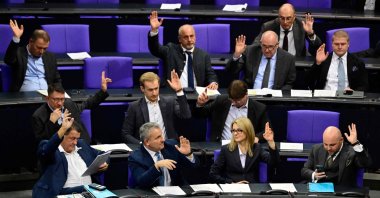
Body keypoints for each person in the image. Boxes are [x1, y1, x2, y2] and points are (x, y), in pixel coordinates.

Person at [32, 118, 109, 197]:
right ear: (62, 135)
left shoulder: (81, 144)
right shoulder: (51, 150)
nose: (75, 142)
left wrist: (105, 163)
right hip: (63, 194)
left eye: (77, 138)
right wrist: (62, 129)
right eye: (72, 138)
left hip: (89, 193)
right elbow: (47, 151)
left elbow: (102, 154)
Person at [32, 71, 111, 144]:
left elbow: (87, 104)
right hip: (58, 151)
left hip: (80, 145)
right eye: (55, 99)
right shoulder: (39, 115)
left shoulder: (68, 104)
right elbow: (41, 142)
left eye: (62, 99)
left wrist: (102, 91)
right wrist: (51, 123)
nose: (60, 103)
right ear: (47, 98)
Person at [148, 11, 219, 89]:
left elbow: (210, 74)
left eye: (191, 36)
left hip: (197, 95)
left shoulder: (203, 55)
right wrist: (154, 31)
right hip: (174, 94)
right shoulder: (170, 50)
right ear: (179, 39)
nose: (189, 39)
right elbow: (155, 49)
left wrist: (213, 82)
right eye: (186, 37)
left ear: (195, 37)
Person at [121, 71, 191, 144]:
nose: (154, 93)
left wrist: (179, 91)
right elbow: (126, 133)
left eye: (156, 88)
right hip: (147, 149)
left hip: (169, 146)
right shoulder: (134, 106)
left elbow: (186, 115)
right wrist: (142, 145)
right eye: (150, 90)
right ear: (142, 89)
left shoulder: (170, 102)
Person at [209, 117, 280, 184]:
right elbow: (213, 173)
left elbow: (274, 162)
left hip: (252, 188)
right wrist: (231, 183)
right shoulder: (226, 149)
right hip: (233, 189)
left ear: (248, 131)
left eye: (239, 130)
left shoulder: (257, 148)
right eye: (233, 130)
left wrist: (271, 141)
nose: (235, 133)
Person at [128, 122, 199, 188]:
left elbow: (193, 169)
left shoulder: (171, 146)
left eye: (161, 136)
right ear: (147, 142)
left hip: (176, 192)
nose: (163, 140)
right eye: (158, 137)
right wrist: (156, 166)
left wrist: (188, 154)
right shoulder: (135, 157)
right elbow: (142, 181)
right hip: (152, 194)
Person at [194, 80, 269, 142]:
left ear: (246, 94)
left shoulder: (259, 108)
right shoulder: (222, 100)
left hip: (246, 147)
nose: (234, 103)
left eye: (238, 100)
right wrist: (200, 104)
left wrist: (256, 138)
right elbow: (200, 114)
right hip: (222, 146)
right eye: (232, 100)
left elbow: (267, 131)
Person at [301, 124, 372, 187]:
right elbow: (304, 170)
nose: (328, 148)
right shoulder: (316, 149)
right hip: (319, 189)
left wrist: (355, 144)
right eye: (325, 144)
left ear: (341, 140)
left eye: (332, 145)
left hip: (341, 191)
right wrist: (314, 174)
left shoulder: (351, 152)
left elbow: (366, 164)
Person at [4, 19, 61, 92]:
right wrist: (16, 38)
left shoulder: (50, 57)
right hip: (26, 98)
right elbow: (8, 60)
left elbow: (57, 80)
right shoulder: (19, 53)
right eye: (39, 47)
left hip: (47, 96)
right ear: (31, 42)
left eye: (45, 48)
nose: (42, 51)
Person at [226, 30, 296, 90]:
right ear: (260, 43)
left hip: (275, 98)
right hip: (251, 97)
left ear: (277, 45)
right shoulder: (250, 52)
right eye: (264, 46)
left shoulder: (288, 59)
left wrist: (279, 94)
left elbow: (289, 83)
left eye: (270, 47)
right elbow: (232, 71)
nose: (267, 50)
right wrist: (237, 55)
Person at [253, 3, 322, 57]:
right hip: (276, 62)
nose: (285, 22)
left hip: (297, 62)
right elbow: (256, 44)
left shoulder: (302, 24)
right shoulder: (269, 26)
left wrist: (310, 33)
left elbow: (318, 46)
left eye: (288, 18)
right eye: (282, 18)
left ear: (294, 17)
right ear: (278, 16)